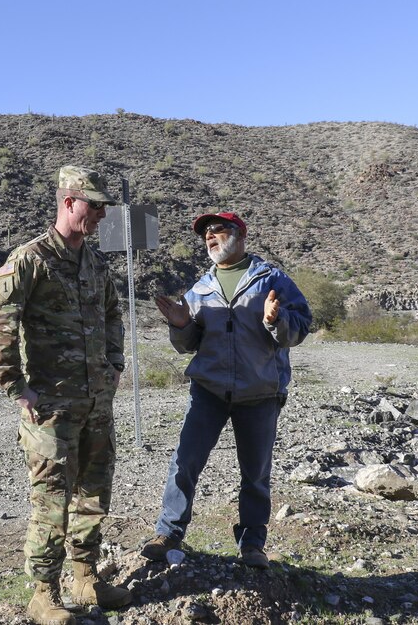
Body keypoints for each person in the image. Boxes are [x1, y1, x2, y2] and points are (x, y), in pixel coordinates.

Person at [0, 165, 131, 625]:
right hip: (49, 406)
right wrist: (15, 386)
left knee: (93, 491)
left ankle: (85, 576)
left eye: (106, 208)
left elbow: (111, 315)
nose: (102, 215)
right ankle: (43, 592)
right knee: (50, 499)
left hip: (95, 403)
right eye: (94, 206)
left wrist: (114, 366)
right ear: (69, 202)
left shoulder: (93, 261)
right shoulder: (30, 259)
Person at [140, 212, 312, 568]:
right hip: (209, 391)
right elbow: (190, 344)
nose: (209, 237)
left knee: (255, 474)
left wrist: (275, 319)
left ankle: (252, 544)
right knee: (184, 462)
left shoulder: (272, 279)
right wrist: (181, 324)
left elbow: (301, 327)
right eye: (205, 233)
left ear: (240, 234)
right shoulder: (200, 287)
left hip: (260, 392)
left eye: (217, 230)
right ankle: (169, 532)